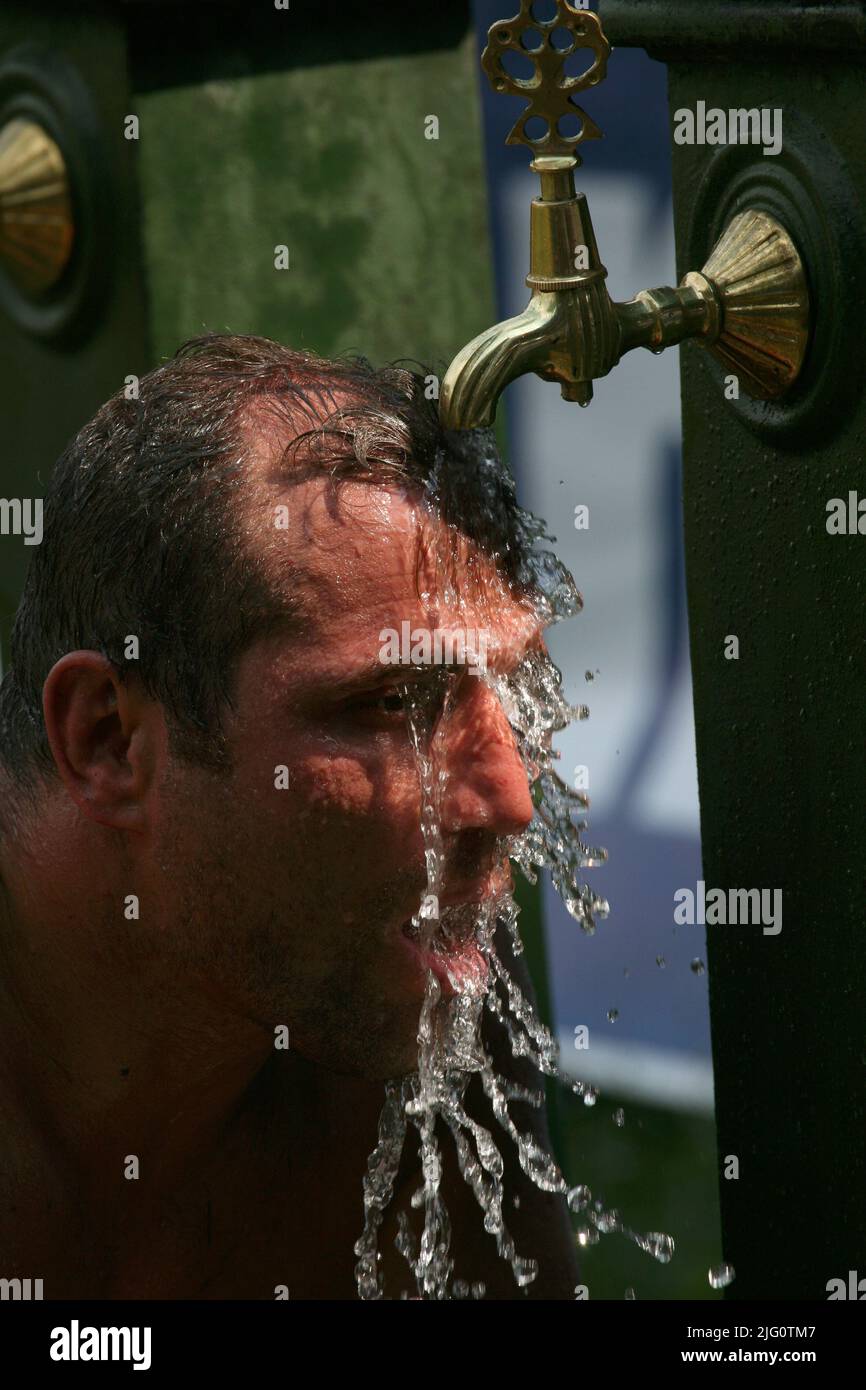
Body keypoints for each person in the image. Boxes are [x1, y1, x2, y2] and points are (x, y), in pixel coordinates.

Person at [0, 333, 579, 1299]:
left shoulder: (398, 957)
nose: (505, 802)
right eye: (393, 705)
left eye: (509, 693)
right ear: (108, 743)